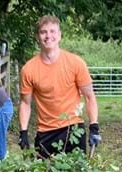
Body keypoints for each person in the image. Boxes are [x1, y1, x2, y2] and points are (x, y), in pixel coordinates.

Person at [19, 15, 100, 158]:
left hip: (74, 128)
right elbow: (25, 103)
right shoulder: (29, 69)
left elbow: (89, 96)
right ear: (38, 37)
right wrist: (23, 132)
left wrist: (94, 126)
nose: (48, 36)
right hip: (45, 133)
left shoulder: (76, 63)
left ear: (60, 35)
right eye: (43, 32)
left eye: (52, 31)